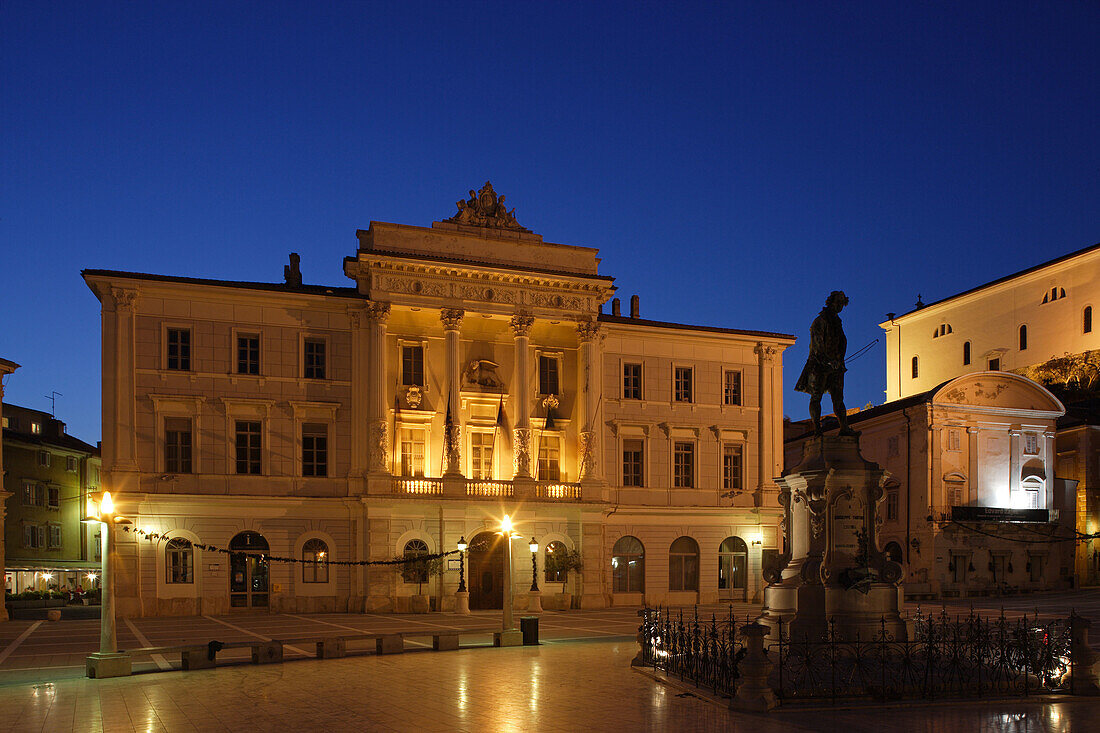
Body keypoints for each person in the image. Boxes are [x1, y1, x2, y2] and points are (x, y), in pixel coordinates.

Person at [795, 291, 857, 436]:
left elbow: (842, 342)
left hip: (836, 366)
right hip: (818, 365)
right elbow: (817, 346)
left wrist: (839, 360)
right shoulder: (820, 321)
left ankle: (844, 428)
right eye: (838, 302)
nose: (840, 305)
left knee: (838, 398)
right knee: (816, 397)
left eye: (842, 303)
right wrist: (829, 361)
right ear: (830, 302)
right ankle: (817, 430)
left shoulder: (837, 321)